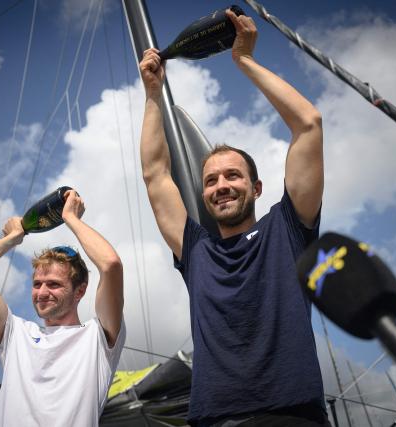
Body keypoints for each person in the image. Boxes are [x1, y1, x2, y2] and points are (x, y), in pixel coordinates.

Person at [139, 8, 328, 427]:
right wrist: (153, 94)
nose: (221, 185)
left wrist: (244, 61)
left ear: (256, 188)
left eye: (233, 176)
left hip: (293, 415)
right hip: (215, 419)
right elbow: (155, 173)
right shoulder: (195, 249)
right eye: (210, 180)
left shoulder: (290, 227)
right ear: (203, 196)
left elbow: (309, 126)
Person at [0, 190, 125, 427]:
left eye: (54, 284)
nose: (42, 292)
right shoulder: (15, 334)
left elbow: (111, 265)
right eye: (37, 284)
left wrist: (72, 219)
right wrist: (14, 237)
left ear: (80, 291)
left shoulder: (98, 336)